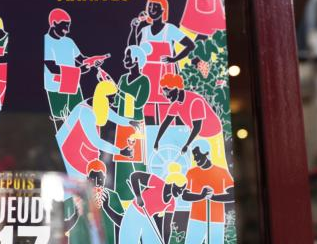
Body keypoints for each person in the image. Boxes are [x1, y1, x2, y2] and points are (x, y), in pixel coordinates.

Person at [118, 166, 187, 244]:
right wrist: (138, 196)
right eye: (180, 188)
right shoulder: (158, 182)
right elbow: (135, 176)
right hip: (134, 212)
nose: (181, 192)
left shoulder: (172, 202)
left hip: (148, 217)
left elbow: (167, 224)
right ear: (172, 184)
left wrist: (165, 243)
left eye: (183, 189)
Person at [54, 80, 135, 180]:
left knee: (94, 176)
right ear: (105, 97)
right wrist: (120, 151)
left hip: (84, 147)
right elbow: (96, 141)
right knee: (84, 180)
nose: (114, 101)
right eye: (113, 98)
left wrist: (132, 122)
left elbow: (117, 119)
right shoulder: (85, 112)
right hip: (70, 149)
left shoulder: (99, 103)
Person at [183, 140, 234, 244]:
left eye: (197, 155)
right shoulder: (191, 173)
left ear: (206, 153)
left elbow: (232, 195)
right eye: (194, 156)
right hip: (196, 218)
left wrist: (214, 197)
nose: (195, 158)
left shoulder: (221, 172)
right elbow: (185, 195)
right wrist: (200, 195)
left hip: (216, 220)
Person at [154, 72, 227, 168]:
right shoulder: (176, 105)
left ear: (176, 89)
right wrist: (157, 141)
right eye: (164, 94)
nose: (167, 96)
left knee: (217, 162)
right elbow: (165, 124)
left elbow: (197, 127)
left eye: (167, 92)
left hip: (213, 133)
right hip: (199, 135)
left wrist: (187, 145)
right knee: (196, 164)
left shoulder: (195, 101)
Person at [43, 8, 96, 122]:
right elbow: (52, 68)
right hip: (55, 86)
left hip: (73, 84)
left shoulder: (69, 42)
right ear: (54, 23)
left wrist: (92, 61)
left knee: (79, 116)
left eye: (68, 26)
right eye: (64, 26)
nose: (67, 30)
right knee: (60, 118)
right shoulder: (46, 41)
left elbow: (81, 59)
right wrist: (79, 70)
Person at [113, 45, 150, 206]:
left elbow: (139, 103)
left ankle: (140, 198)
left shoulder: (144, 80)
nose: (124, 60)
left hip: (136, 124)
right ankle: (121, 198)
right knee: (121, 159)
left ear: (136, 59)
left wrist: (119, 93)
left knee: (136, 161)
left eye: (127, 57)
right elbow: (116, 101)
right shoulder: (122, 78)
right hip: (122, 123)